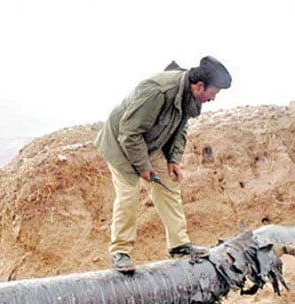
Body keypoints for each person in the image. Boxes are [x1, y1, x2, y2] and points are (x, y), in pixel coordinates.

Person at [95, 56, 232, 272]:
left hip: (149, 143)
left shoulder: (188, 96)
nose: (213, 99)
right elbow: (129, 133)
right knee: (129, 195)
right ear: (199, 86)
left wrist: (172, 160)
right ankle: (120, 252)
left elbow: (180, 128)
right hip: (121, 144)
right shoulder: (158, 91)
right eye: (213, 93)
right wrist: (143, 168)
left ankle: (178, 245)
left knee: (168, 186)